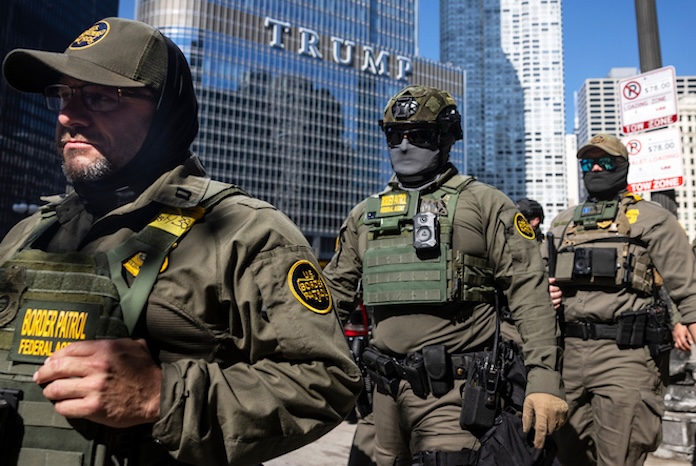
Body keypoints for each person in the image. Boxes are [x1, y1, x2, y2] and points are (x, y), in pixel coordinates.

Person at [0, 17, 361, 466]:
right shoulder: (31, 232)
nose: (68, 116)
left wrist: (162, 396)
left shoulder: (245, 231)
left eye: (98, 98)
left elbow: (326, 380)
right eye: (64, 95)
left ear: (165, 112)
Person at [323, 85, 568, 466]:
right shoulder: (365, 214)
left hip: (454, 393)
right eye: (394, 135)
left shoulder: (486, 204)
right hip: (382, 395)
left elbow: (529, 293)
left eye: (418, 135)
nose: (404, 146)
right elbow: (332, 297)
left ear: (447, 138)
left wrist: (544, 379)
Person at [545, 133, 696, 466]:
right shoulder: (562, 224)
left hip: (626, 357)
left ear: (624, 166)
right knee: (566, 456)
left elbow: (690, 293)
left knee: (620, 456)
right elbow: (539, 286)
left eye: (607, 161)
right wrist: (548, 290)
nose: (597, 167)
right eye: (589, 162)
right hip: (568, 356)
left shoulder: (654, 220)